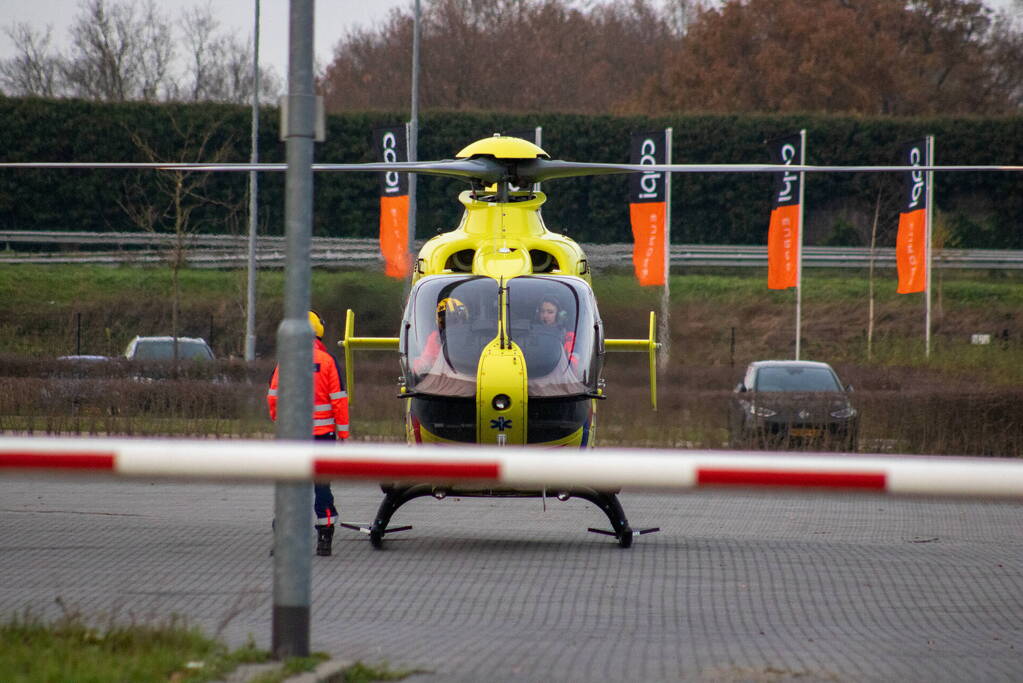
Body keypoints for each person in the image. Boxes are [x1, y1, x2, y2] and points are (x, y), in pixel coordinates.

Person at [267, 310, 349, 557]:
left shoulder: (287, 360)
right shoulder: (327, 362)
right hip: (322, 436)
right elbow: (339, 400)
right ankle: (325, 539)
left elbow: (273, 397)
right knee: (321, 486)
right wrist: (342, 433)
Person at [412, 297, 468, 374]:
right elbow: (425, 362)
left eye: (456, 320)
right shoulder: (435, 338)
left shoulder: (474, 337)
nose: (453, 326)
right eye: (447, 321)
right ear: (440, 324)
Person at [537, 296, 577, 364]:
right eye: (542, 311)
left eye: (550, 312)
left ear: (558, 315)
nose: (545, 315)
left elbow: (572, 362)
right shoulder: (531, 331)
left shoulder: (567, 335)